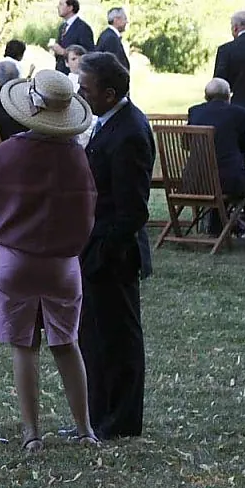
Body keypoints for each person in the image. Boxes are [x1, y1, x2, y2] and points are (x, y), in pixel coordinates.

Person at [0, 69, 99, 453]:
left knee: (24, 345)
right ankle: (84, 429)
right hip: (62, 263)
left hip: (15, 259)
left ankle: (32, 433)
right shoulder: (76, 155)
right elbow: (87, 209)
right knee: (68, 343)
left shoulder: (9, 150)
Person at [74, 50, 152, 440]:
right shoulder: (109, 123)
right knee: (95, 337)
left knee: (118, 339)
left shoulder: (129, 132)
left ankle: (119, 421)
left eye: (84, 88)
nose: (78, 93)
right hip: (96, 248)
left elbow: (132, 209)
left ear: (107, 93)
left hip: (113, 254)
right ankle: (96, 416)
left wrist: (101, 251)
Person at [186, 78, 245, 249]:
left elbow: (186, 144)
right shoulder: (238, 113)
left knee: (224, 176)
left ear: (206, 96)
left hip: (194, 182)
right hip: (226, 183)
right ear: (228, 95)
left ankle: (216, 228)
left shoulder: (194, 111)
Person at [47, 0, 94, 74]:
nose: (58, 7)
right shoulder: (62, 27)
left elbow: (88, 53)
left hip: (75, 76)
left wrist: (63, 52)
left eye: (61, 4)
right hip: (61, 74)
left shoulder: (83, 28)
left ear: (70, 7)